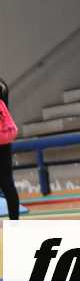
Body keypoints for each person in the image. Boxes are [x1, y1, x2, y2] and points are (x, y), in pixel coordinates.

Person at [0, 78, 20, 220]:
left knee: (7, 184)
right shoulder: (2, 85)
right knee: (7, 183)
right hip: (4, 140)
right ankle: (15, 223)